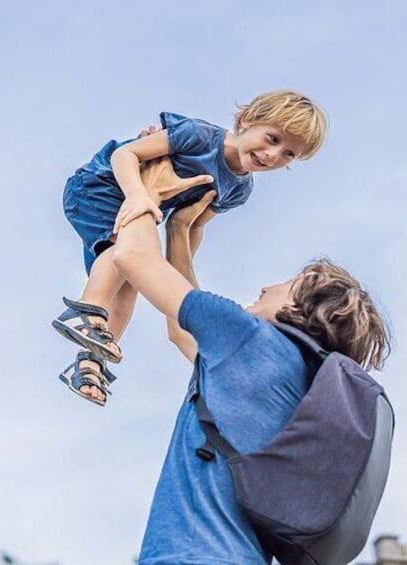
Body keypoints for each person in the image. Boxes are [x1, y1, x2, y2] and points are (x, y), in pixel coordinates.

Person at [109, 202, 390, 563]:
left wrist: (141, 193)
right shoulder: (304, 382)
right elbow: (182, 330)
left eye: (287, 284)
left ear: (303, 306)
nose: (267, 286)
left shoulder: (246, 337)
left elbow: (132, 257)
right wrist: (179, 232)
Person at [52, 90, 328, 405]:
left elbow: (192, 224)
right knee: (125, 252)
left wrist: (174, 277)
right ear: (246, 120)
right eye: (272, 138)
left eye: (289, 154)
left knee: (131, 280)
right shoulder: (199, 137)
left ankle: (91, 360)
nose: (273, 155)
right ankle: (86, 311)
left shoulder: (238, 190)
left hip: (140, 208)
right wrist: (136, 194)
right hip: (100, 186)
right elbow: (126, 155)